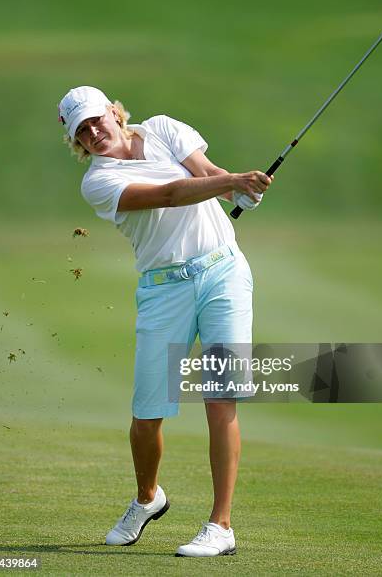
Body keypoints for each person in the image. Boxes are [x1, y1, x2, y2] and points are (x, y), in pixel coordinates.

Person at [58, 85, 272, 557]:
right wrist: (233, 182)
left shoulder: (164, 128)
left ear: (115, 112)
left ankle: (221, 526)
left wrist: (240, 186)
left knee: (221, 398)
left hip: (223, 271)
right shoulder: (98, 181)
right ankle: (148, 497)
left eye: (97, 120)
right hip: (163, 288)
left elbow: (207, 174)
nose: (94, 132)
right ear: (76, 140)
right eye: (82, 131)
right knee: (147, 415)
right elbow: (173, 194)